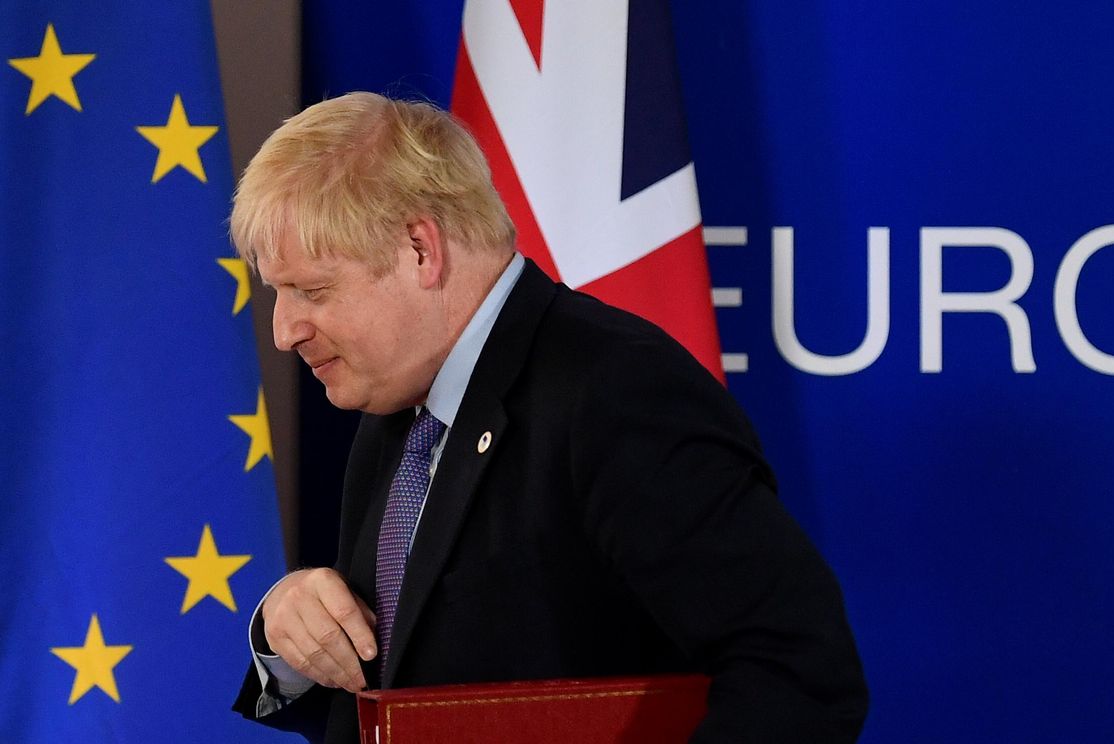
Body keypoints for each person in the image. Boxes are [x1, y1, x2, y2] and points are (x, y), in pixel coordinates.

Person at [229, 92, 868, 743]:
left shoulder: (617, 393)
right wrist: (286, 633)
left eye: (312, 290)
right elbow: (395, 697)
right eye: (278, 294)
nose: (284, 331)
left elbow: (799, 672)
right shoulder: (396, 413)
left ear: (420, 249)